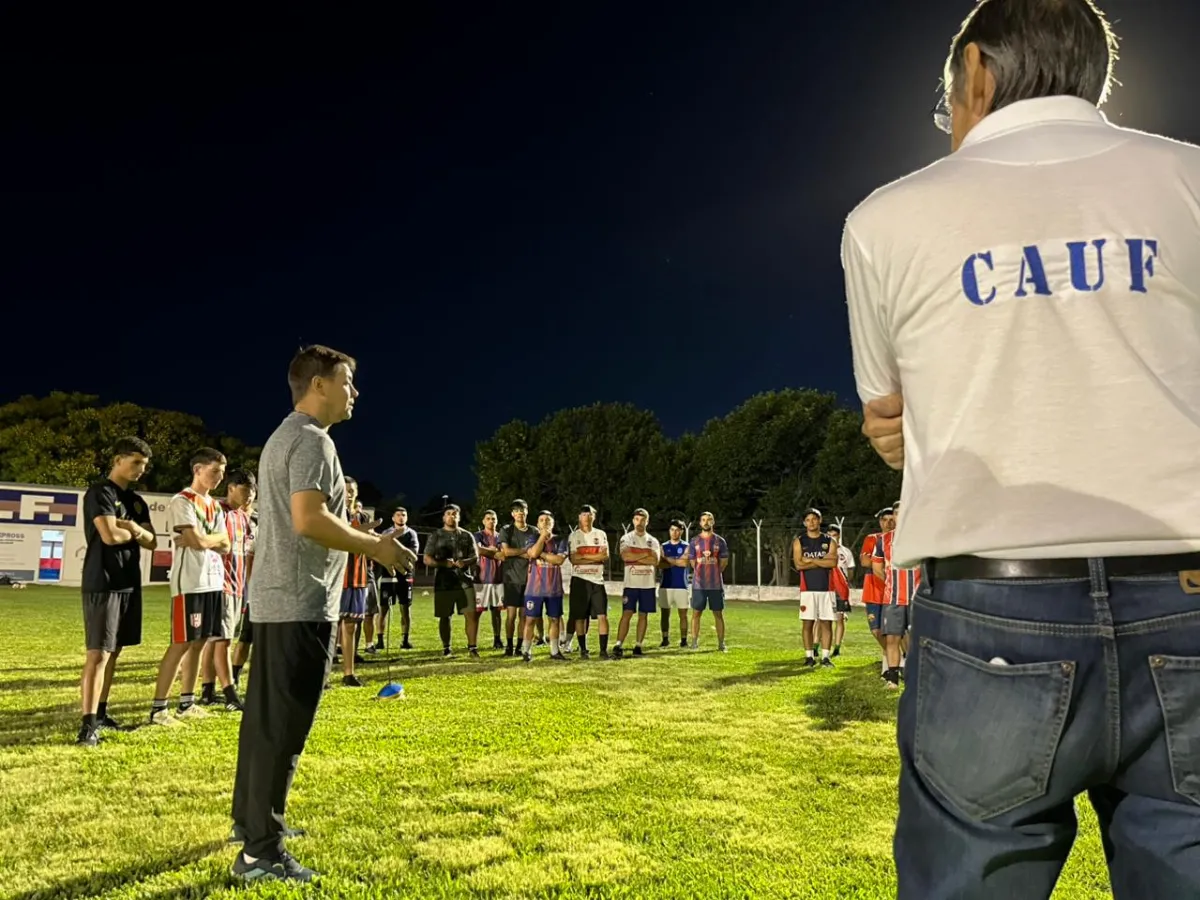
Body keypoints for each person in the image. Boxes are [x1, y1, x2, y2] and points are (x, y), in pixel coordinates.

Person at [843, 2, 1200, 894]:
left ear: (977, 73)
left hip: (991, 604)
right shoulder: (1190, 179)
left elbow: (897, 425)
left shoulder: (886, 219)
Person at [230, 345, 415, 883]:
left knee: (265, 723)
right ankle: (260, 853)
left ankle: (253, 824)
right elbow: (309, 520)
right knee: (284, 728)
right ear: (318, 385)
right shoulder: (312, 441)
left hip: (276, 600)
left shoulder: (284, 436)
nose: (354, 392)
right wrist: (376, 547)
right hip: (298, 601)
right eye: (348, 382)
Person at [77, 437, 156, 746]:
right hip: (104, 580)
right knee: (99, 652)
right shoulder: (100, 492)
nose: (140, 469)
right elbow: (109, 535)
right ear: (118, 460)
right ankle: (87, 727)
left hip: (128, 581)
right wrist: (135, 532)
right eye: (135, 462)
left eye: (144, 465)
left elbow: (152, 541)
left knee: (115, 651)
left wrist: (134, 529)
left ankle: (101, 713)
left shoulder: (137, 502)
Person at [148, 448, 235, 724]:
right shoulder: (181, 501)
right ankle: (158, 708)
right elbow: (198, 541)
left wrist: (204, 539)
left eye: (222, 473)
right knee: (181, 643)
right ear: (197, 469)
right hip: (190, 582)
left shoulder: (215, 505)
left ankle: (187, 702)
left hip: (213, 580)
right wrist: (211, 539)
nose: (219, 477)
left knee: (199, 643)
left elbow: (226, 545)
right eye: (214, 471)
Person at [200, 469, 256, 706]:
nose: (249, 497)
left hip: (238, 585)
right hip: (220, 584)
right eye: (245, 491)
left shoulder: (243, 517)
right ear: (231, 487)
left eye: (253, 493)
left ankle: (207, 690)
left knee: (216, 639)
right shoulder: (218, 511)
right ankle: (230, 693)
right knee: (222, 640)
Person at [423, 504, 480, 657]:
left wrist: (465, 562)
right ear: (443, 517)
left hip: (464, 581)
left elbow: (476, 557)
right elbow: (427, 559)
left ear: (459, 517)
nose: (452, 516)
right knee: (444, 616)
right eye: (448, 514)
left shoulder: (467, 535)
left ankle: (472, 648)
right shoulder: (436, 535)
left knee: (471, 614)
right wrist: (443, 563)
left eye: (455, 514)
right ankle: (447, 647)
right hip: (444, 581)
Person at [337, 477, 376, 685]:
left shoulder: (362, 516)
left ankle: (348, 673)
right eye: (346, 490)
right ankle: (323, 674)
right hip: (338, 577)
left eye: (352, 490)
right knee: (331, 624)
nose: (349, 493)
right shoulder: (334, 514)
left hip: (358, 577)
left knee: (350, 626)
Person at [791, 508, 838, 668]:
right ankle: (809, 657)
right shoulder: (799, 541)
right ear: (804, 523)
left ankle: (825, 657)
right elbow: (798, 564)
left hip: (827, 589)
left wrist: (811, 561)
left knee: (826, 623)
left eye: (814, 519)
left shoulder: (829, 541)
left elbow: (833, 563)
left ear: (820, 520)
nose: (811, 522)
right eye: (808, 520)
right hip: (807, 589)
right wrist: (821, 560)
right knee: (807, 623)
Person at [613, 508, 661, 658]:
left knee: (643, 615)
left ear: (647, 521)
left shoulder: (653, 541)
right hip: (631, 584)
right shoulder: (626, 538)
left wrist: (636, 556)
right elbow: (626, 557)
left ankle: (638, 645)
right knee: (626, 613)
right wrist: (646, 554)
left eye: (643, 520)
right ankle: (618, 644)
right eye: (637, 519)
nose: (639, 523)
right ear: (633, 521)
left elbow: (655, 560)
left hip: (648, 585)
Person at [521, 511, 568, 662]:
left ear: (553, 523)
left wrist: (542, 555)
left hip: (553, 589)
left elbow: (559, 560)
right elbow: (533, 553)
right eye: (541, 520)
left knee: (554, 619)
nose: (545, 523)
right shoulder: (532, 537)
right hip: (534, 589)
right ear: (537, 524)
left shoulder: (560, 540)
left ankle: (554, 651)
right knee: (530, 620)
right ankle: (526, 650)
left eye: (548, 520)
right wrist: (542, 537)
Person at [497, 500, 540, 656]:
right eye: (516, 510)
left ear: (527, 512)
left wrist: (524, 553)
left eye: (522, 509)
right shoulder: (506, 530)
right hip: (511, 579)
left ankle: (519, 646)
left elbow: (536, 553)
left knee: (524, 615)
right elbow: (506, 552)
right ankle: (509, 646)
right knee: (511, 615)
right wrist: (525, 552)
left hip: (530, 580)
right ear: (512, 514)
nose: (520, 512)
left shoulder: (534, 531)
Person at [568, 504, 610, 659]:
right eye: (584, 514)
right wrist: (594, 558)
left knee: (602, 615)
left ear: (594, 516)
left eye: (590, 514)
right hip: (579, 580)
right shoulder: (574, 536)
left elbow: (604, 556)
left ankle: (603, 650)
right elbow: (573, 559)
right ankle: (583, 649)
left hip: (597, 581)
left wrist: (584, 558)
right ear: (579, 517)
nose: (587, 517)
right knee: (579, 616)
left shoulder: (601, 534)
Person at [375, 508, 420, 651]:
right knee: (383, 609)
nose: (401, 517)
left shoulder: (411, 533)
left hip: (405, 576)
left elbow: (412, 553)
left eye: (404, 515)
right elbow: (381, 552)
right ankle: (380, 640)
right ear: (393, 518)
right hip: (388, 575)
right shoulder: (386, 533)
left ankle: (405, 640)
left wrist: (396, 553)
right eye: (399, 515)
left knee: (405, 608)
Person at [859, 508, 894, 675]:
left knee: (893, 631)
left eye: (891, 518)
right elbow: (865, 562)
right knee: (876, 630)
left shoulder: (899, 540)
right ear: (880, 522)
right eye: (884, 520)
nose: (888, 523)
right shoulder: (872, 538)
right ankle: (895, 659)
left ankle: (889, 668)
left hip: (894, 590)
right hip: (874, 588)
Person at [688, 512, 729, 651]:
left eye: (709, 520)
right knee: (696, 613)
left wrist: (714, 572)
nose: (706, 522)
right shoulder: (694, 541)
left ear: (713, 522)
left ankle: (721, 643)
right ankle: (694, 642)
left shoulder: (720, 541)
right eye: (703, 520)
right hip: (699, 584)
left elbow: (723, 562)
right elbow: (693, 562)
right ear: (700, 523)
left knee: (718, 613)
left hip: (715, 584)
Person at [231, 505, 257, 688]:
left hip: (281, 598)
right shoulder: (263, 528)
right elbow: (250, 557)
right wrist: (253, 587)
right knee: (245, 640)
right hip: (258, 597)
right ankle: (234, 678)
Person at [474, 510, 505, 650]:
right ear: (483, 521)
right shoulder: (479, 535)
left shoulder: (501, 536)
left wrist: (491, 551)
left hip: (498, 579)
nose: (491, 521)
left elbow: (504, 555)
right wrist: (493, 551)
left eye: (493, 518)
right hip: (482, 579)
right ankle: (473, 641)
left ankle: (497, 639)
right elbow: (478, 550)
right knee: (477, 612)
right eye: (488, 519)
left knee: (496, 611)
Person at [658, 519, 690, 648]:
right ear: (669, 531)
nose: (674, 532)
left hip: (682, 585)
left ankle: (684, 640)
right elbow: (660, 564)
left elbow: (685, 563)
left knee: (683, 614)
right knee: (665, 614)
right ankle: (665, 638)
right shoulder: (663, 546)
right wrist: (677, 560)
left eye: (677, 530)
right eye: (672, 530)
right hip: (666, 585)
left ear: (681, 531)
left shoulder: (687, 546)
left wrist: (668, 560)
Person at [827, 523, 855, 657]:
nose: (832, 538)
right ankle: (816, 648)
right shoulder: (822, 550)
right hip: (825, 587)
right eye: (829, 535)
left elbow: (850, 570)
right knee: (821, 619)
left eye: (835, 535)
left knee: (839, 618)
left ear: (839, 536)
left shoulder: (845, 552)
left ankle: (837, 648)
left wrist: (845, 584)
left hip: (840, 589)